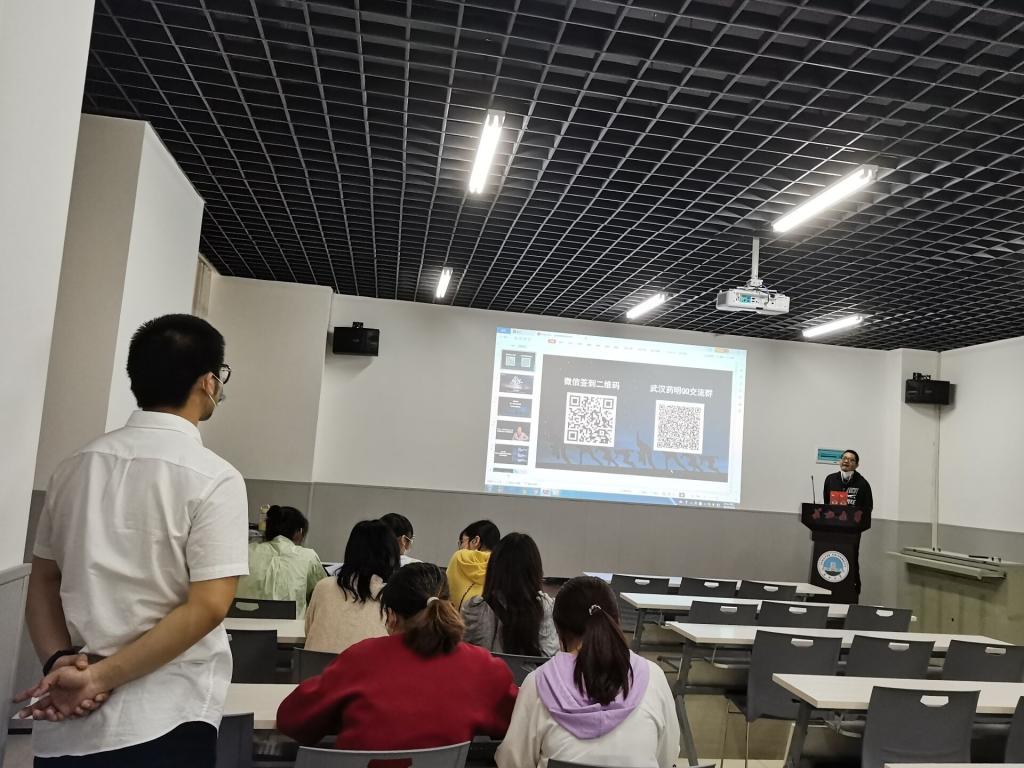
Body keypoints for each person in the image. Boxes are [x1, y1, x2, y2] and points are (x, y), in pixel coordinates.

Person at [16, 314, 249, 767]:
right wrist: (98, 679)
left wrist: (59, 662)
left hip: (70, 717)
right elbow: (208, 606)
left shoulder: (73, 467)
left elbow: (41, 581)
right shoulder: (215, 477)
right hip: (166, 715)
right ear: (209, 383)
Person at [277, 562, 518, 749]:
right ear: (448, 607)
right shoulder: (484, 667)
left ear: (391, 616)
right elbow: (516, 723)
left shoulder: (362, 658)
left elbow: (292, 720)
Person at [495, 576, 679, 768]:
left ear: (559, 632)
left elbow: (512, 761)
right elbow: (667, 757)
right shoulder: (653, 677)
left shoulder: (538, 683)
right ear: (616, 623)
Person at [304, 520, 398, 653]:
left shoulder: (323, 586)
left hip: (316, 665)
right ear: (390, 555)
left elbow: (308, 630)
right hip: (366, 665)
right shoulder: (390, 596)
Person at [462, 533, 559, 657]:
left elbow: (468, 656)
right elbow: (548, 657)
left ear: (494, 566)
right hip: (530, 670)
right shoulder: (545, 607)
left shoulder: (475, 608)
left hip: (488, 670)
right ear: (534, 569)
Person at [236, 505, 324, 618]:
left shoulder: (247, 552)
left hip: (241, 625)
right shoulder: (308, 557)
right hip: (290, 627)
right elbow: (322, 595)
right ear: (299, 532)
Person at [821, 449, 874, 597]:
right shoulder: (830, 479)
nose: (846, 461)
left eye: (851, 460)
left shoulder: (863, 484)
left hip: (851, 532)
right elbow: (826, 503)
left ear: (856, 465)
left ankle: (851, 592)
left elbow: (868, 508)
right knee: (830, 556)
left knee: (850, 559)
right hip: (832, 529)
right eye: (844, 458)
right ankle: (827, 590)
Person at [447, 519, 501, 610]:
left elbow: (447, 594)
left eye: (462, 542)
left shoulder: (460, 556)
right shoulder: (501, 564)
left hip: (456, 617)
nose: (460, 547)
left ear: (475, 541)